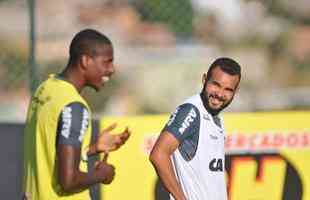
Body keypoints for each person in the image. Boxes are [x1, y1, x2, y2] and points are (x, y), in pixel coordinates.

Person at [23, 29, 131, 200]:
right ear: (86, 60)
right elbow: (68, 180)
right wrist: (103, 174)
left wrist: (93, 149)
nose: (111, 70)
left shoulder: (44, 89)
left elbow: (50, 155)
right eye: (107, 62)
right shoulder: (75, 106)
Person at [150, 57, 241, 200]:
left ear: (235, 91)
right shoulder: (191, 111)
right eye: (216, 85)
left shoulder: (216, 118)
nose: (220, 94)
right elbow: (158, 154)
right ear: (205, 80)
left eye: (228, 89)